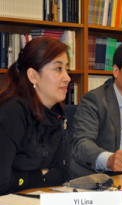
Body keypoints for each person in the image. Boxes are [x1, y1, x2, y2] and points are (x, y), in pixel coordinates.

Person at [70, 41, 122, 178]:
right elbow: (81, 143)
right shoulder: (94, 100)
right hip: (91, 179)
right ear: (116, 71)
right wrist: (109, 159)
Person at [0, 37, 71, 195]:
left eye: (67, 69)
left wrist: (24, 179)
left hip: (35, 202)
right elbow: (1, 182)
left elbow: (64, 173)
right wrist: (41, 175)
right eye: (58, 69)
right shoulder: (13, 111)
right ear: (33, 76)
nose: (67, 77)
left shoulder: (57, 113)